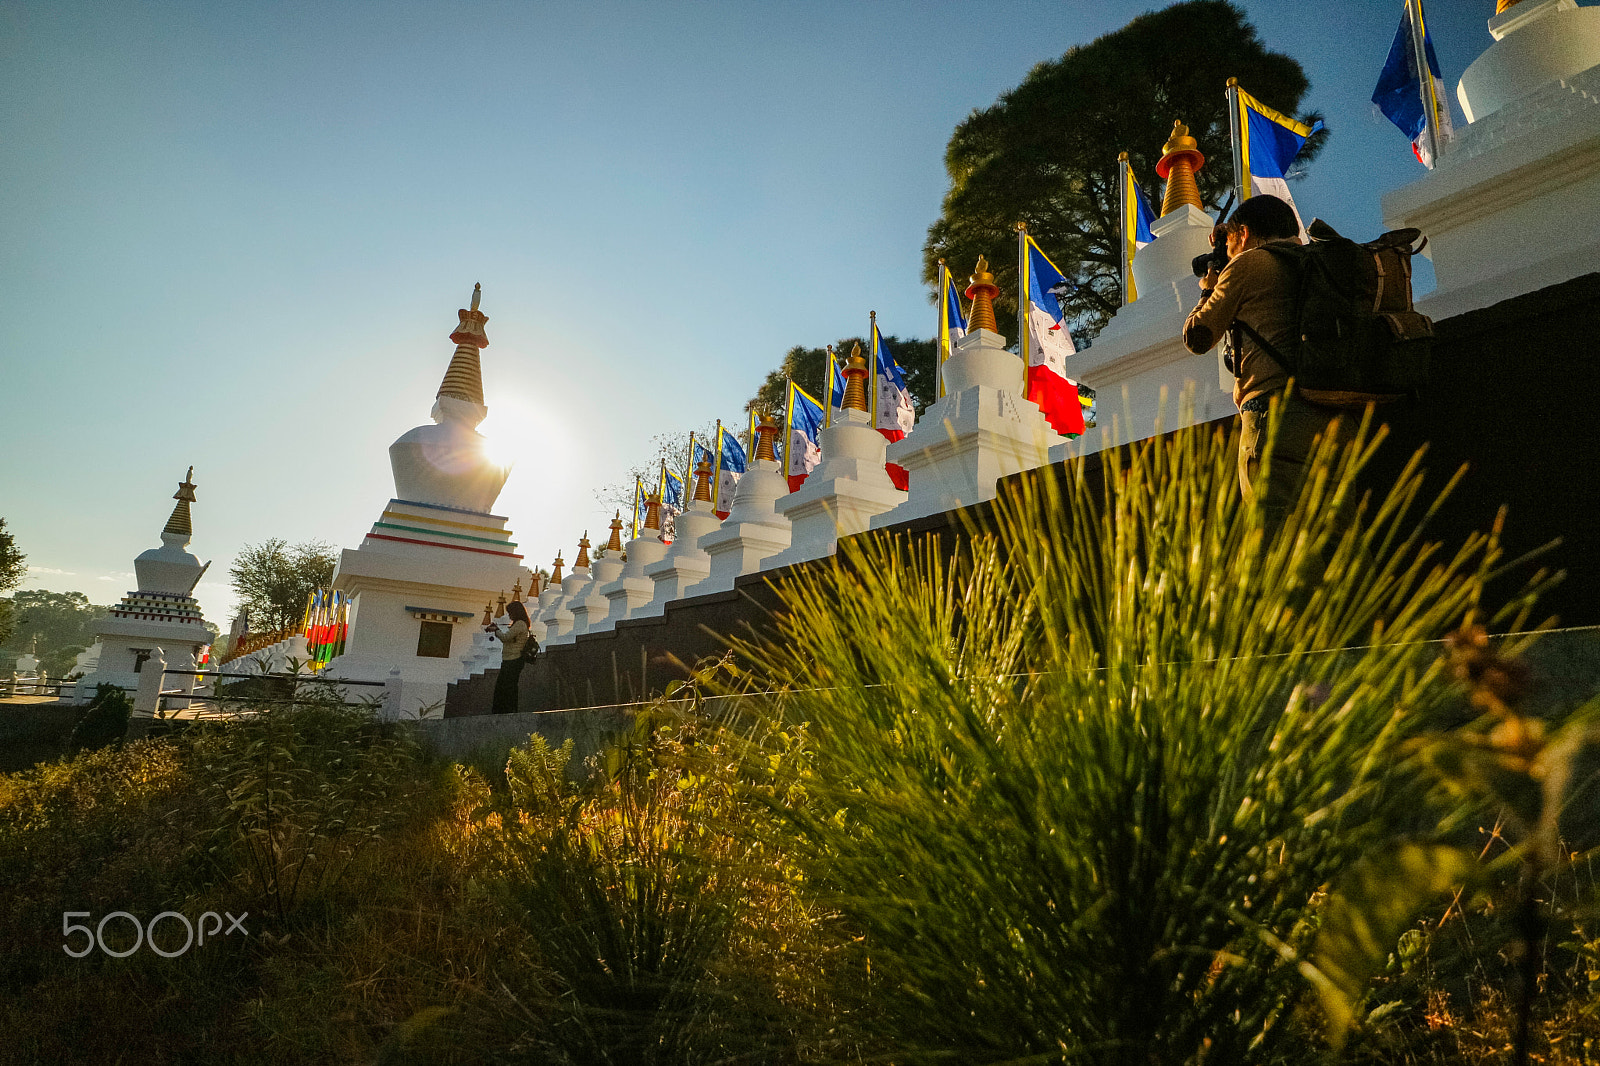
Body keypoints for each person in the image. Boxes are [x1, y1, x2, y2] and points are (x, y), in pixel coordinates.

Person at [1182, 194, 1344, 534]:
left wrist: (1208, 289)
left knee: (1275, 537)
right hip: (1337, 412)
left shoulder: (1248, 264)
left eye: (1229, 242)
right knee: (1338, 538)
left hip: (1274, 415)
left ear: (1243, 233)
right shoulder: (1316, 261)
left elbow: (1197, 337)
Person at [491, 600, 532, 714]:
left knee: (506, 686)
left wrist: (496, 630)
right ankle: (506, 709)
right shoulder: (520, 624)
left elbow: (506, 637)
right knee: (506, 686)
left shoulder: (520, 624)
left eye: (510, 613)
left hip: (514, 659)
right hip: (511, 659)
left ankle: (507, 709)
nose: (509, 615)